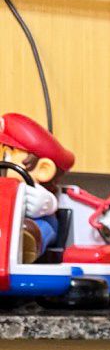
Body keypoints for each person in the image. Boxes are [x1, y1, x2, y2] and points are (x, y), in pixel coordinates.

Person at [0, 112, 73, 263]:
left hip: (34, 222)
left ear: (43, 169)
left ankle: (28, 242)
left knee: (42, 227)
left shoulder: (35, 192)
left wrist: (45, 203)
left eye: (6, 158)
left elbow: (49, 203)